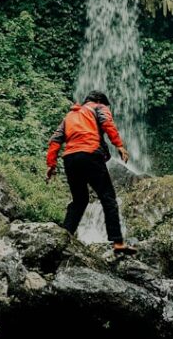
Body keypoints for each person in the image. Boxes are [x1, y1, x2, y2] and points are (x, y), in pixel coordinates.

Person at [46, 91, 134, 254]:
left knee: (79, 201)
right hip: (90, 154)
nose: (107, 108)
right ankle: (118, 242)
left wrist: (51, 165)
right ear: (100, 101)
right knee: (108, 197)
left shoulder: (69, 116)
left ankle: (64, 239)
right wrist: (119, 145)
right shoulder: (98, 107)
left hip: (70, 159)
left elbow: (55, 140)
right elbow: (107, 123)